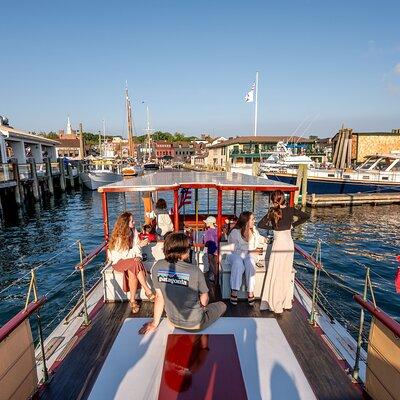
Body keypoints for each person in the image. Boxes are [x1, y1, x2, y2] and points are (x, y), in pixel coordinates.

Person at [139, 233, 227, 334]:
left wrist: (154, 323)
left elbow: (159, 297)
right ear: (182, 251)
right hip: (196, 324)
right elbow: (205, 298)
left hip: (173, 321)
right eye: (188, 247)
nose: (189, 250)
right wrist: (202, 308)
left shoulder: (157, 266)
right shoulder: (195, 270)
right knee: (222, 305)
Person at [257, 190, 309, 314]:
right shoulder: (291, 210)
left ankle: (275, 303)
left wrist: (274, 228)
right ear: (284, 198)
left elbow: (260, 224)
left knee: (276, 273)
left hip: (279, 244)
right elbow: (306, 216)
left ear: (273, 200)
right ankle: (285, 302)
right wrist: (292, 225)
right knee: (285, 273)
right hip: (289, 244)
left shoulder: (272, 212)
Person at [108, 212, 155, 314]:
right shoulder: (119, 236)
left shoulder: (133, 231)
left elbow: (136, 250)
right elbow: (124, 255)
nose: (134, 222)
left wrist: (138, 255)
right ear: (125, 223)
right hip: (118, 262)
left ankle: (132, 300)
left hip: (131, 261)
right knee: (135, 263)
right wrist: (140, 246)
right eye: (132, 221)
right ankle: (148, 290)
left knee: (134, 267)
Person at [228, 211, 264, 306]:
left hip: (249, 255)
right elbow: (234, 249)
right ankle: (234, 291)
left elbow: (260, 238)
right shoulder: (235, 232)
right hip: (235, 255)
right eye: (252, 219)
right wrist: (251, 251)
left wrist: (266, 240)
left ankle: (250, 291)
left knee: (250, 262)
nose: (254, 221)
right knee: (238, 263)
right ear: (246, 221)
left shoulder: (254, 231)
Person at [202, 216, 218, 282]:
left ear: (210, 223)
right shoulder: (218, 230)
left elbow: (205, 242)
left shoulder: (207, 232)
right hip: (217, 251)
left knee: (212, 265)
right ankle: (216, 279)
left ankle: (214, 279)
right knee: (216, 266)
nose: (206, 223)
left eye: (207, 222)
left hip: (211, 251)